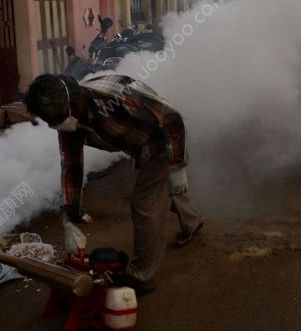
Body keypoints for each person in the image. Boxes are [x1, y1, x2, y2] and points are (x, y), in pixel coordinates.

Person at [23, 74, 204, 294]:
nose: (55, 126)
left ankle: (141, 277)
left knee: (144, 205)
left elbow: (173, 118)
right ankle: (193, 222)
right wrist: (69, 219)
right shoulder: (69, 123)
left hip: (161, 142)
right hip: (138, 145)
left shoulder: (119, 95)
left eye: (56, 119)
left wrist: (177, 166)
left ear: (74, 102)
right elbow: (72, 167)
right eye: (49, 122)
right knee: (161, 191)